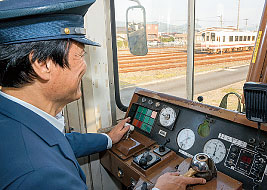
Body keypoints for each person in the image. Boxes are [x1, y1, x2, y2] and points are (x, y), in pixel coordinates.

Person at [0, 0, 206, 190]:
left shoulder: (15, 120)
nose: (84, 66)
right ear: (43, 65)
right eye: (80, 56)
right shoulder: (41, 177)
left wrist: (107, 138)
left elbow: (57, 143)